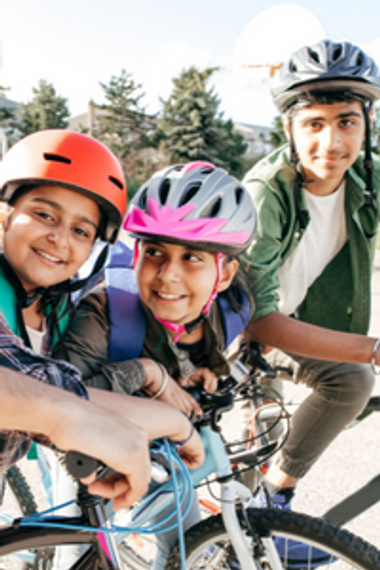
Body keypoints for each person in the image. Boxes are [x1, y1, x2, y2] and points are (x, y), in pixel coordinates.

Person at [52, 160, 257, 569]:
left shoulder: (234, 308)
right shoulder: (105, 313)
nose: (168, 276)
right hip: (84, 438)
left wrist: (206, 371)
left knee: (183, 548)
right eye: (155, 252)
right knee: (79, 551)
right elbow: (56, 398)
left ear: (226, 273)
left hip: (162, 440)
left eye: (193, 258)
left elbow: (213, 354)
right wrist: (149, 374)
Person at [0, 130, 204, 515]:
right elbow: (30, 384)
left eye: (81, 231)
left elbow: (56, 391)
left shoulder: (56, 309)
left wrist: (173, 410)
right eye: (44, 214)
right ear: (4, 216)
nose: (60, 239)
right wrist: (165, 415)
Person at [242, 39, 380, 510]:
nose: (332, 143)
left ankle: (273, 499)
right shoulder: (266, 193)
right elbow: (256, 320)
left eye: (347, 122)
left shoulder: (369, 178)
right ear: (289, 128)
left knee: (350, 383)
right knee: (246, 457)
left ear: (368, 124)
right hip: (236, 334)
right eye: (314, 125)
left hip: (294, 323)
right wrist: (374, 350)